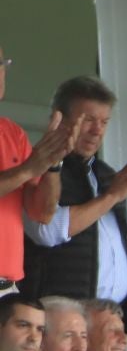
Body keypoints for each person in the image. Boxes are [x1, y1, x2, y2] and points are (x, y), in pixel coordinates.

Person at [22, 77, 127, 334]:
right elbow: (46, 232)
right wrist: (110, 198)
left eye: (104, 122)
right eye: (88, 120)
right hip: (60, 322)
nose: (97, 130)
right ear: (59, 118)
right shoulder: (37, 167)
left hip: (111, 321)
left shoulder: (107, 176)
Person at [0, 56, 74, 293]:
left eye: (2, 64)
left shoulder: (13, 133)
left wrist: (53, 162)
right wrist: (28, 169)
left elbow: (41, 212)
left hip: (8, 287)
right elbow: (27, 171)